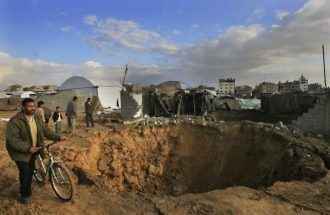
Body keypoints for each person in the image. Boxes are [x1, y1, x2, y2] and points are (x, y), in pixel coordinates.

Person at [5, 98, 67, 204]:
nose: (32, 108)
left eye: (33, 106)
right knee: (26, 173)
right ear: (23, 107)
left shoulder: (37, 119)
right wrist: (27, 147)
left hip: (33, 149)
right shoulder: (15, 121)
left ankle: (28, 182)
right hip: (20, 152)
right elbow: (12, 139)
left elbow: (46, 131)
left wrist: (58, 137)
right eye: (29, 106)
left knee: (31, 167)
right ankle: (25, 195)